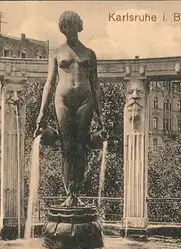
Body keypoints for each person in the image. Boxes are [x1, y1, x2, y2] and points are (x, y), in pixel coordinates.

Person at [35, 10, 104, 208]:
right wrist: (41, 112)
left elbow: (95, 84)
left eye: (72, 26)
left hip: (85, 99)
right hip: (63, 100)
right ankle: (68, 194)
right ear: (62, 29)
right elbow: (49, 83)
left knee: (80, 148)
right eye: (65, 26)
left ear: (78, 27)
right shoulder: (56, 52)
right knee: (66, 148)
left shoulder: (89, 54)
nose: (69, 30)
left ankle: (76, 193)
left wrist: (100, 115)